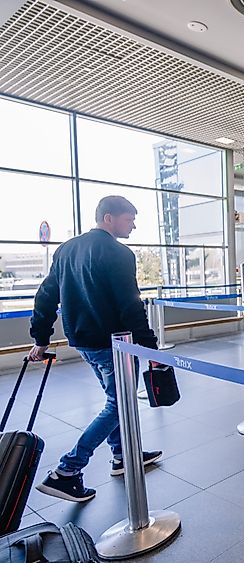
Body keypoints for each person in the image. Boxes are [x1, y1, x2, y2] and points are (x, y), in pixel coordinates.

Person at [29, 196, 162, 503]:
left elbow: (46, 296)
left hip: (83, 340)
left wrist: (41, 337)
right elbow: (130, 305)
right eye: (129, 219)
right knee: (119, 403)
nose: (134, 225)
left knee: (114, 397)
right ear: (108, 219)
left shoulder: (66, 249)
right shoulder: (118, 253)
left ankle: (122, 455)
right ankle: (67, 471)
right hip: (113, 343)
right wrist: (151, 347)